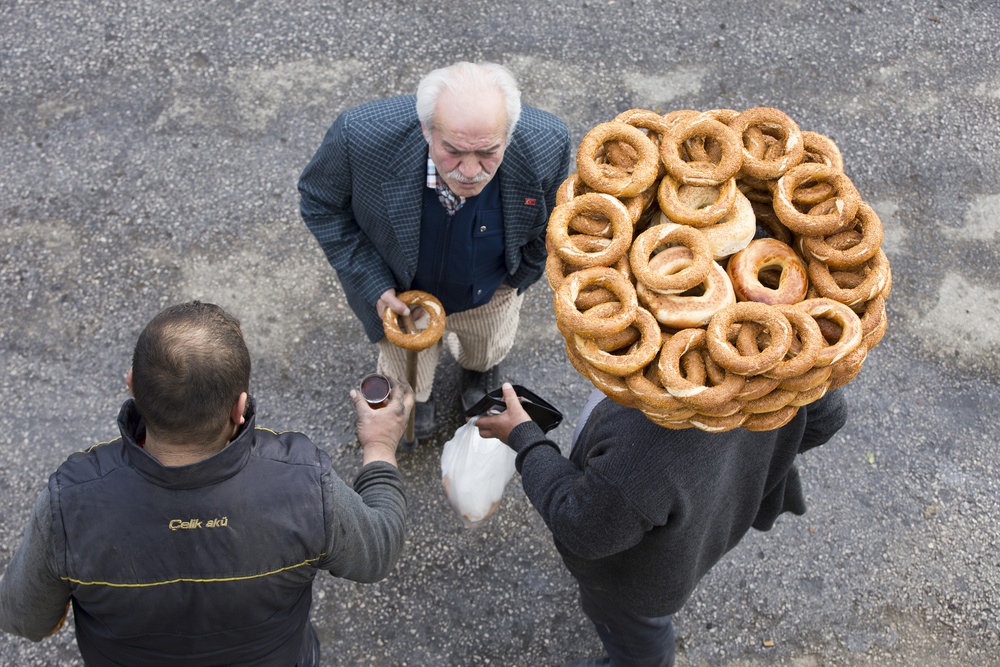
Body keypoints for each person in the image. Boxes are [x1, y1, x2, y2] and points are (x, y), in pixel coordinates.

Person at [0, 301, 413, 667]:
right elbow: (377, 551)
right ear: (239, 407)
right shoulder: (304, 483)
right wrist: (379, 443)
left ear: (132, 385)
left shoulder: (69, 504)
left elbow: (24, 618)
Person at [298, 61, 572, 448]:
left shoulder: (548, 142)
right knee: (407, 374)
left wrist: (517, 278)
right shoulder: (358, 136)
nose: (470, 171)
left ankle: (476, 374)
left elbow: (555, 221)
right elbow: (320, 203)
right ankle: (417, 396)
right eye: (453, 152)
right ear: (426, 129)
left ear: (508, 135)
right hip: (403, 298)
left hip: (492, 290)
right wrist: (375, 285)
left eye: (487, 153)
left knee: (487, 347)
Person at [476, 382, 848, 667]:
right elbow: (826, 415)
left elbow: (582, 527)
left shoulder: (646, 447)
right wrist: (744, 462)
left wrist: (525, 440)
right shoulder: (789, 367)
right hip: (702, 523)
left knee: (636, 629)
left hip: (637, 578)